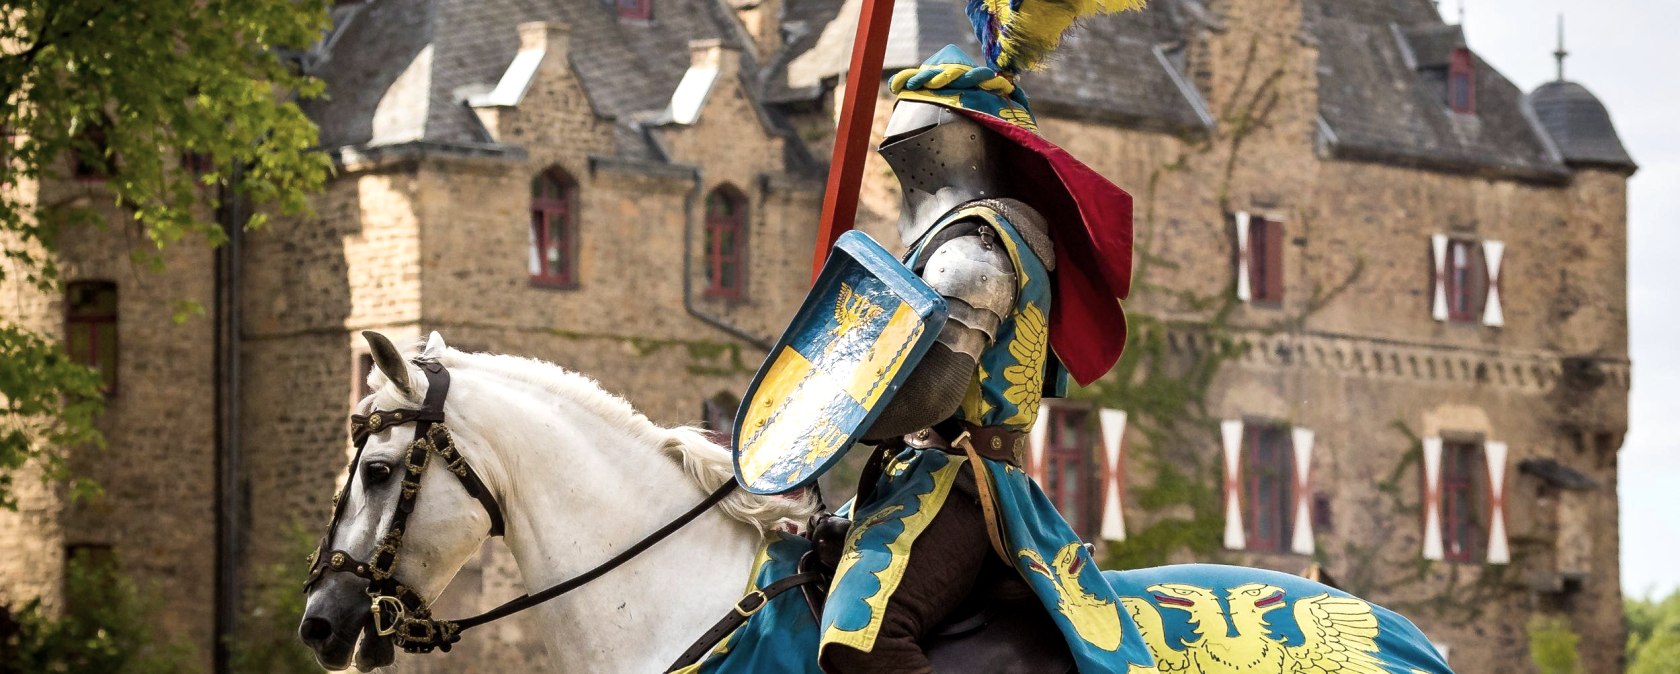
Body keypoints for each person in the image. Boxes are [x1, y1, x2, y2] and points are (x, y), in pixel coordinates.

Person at [811, 44, 1151, 674]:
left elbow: (935, 393)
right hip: (913, 475)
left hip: (962, 484)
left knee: (866, 641)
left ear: (955, 141)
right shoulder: (955, 241)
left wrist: (827, 424)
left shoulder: (976, 248)